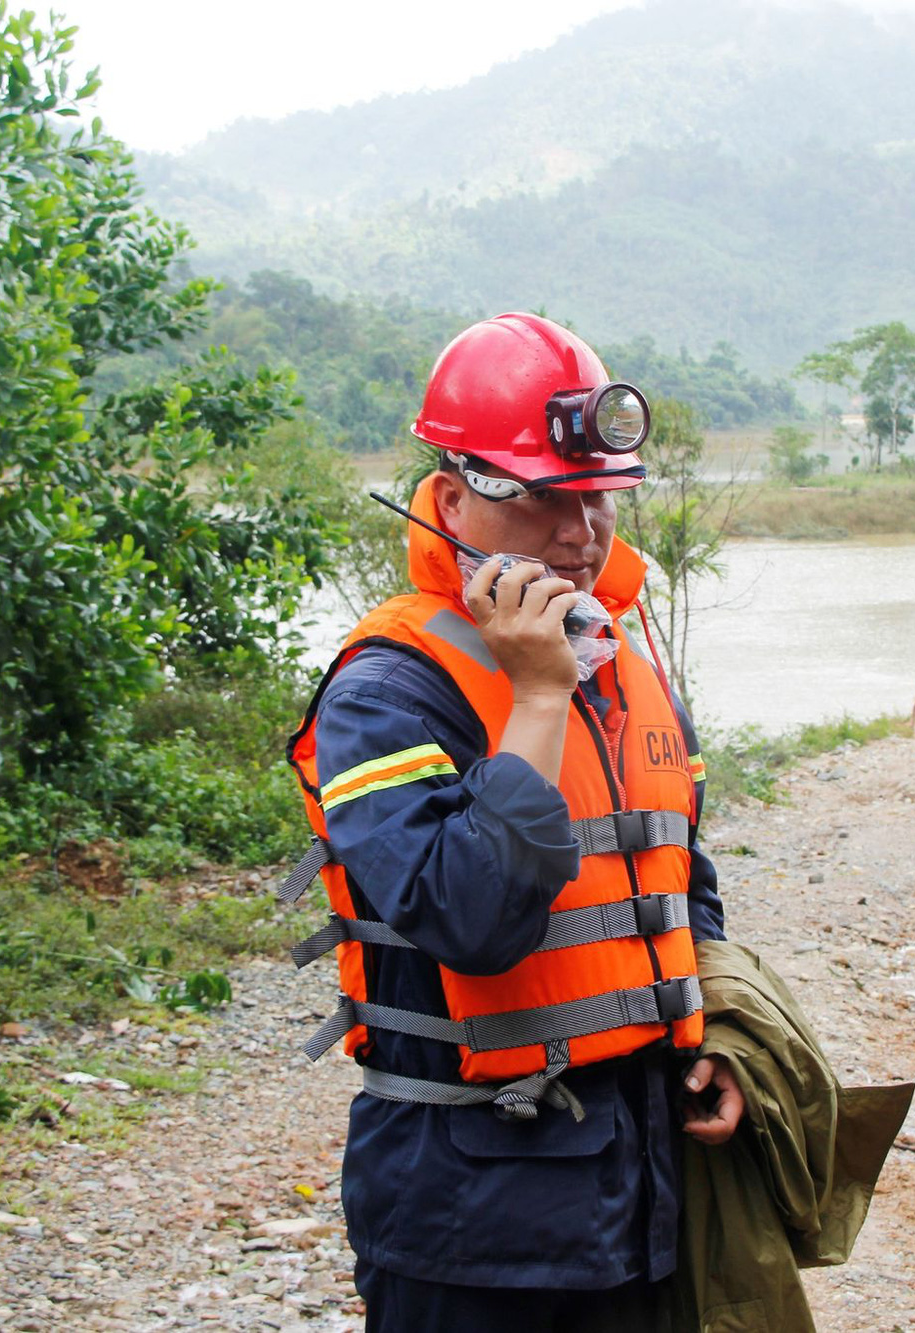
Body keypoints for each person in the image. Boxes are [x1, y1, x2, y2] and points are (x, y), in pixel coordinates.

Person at [281, 313, 741, 1332]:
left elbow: (678, 880)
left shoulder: (620, 663)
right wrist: (535, 703)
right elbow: (471, 917)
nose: (580, 536)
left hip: (643, 1197)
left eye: (598, 500)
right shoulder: (387, 689)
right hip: (470, 1224)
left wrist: (724, 1038)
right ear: (453, 501)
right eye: (544, 500)